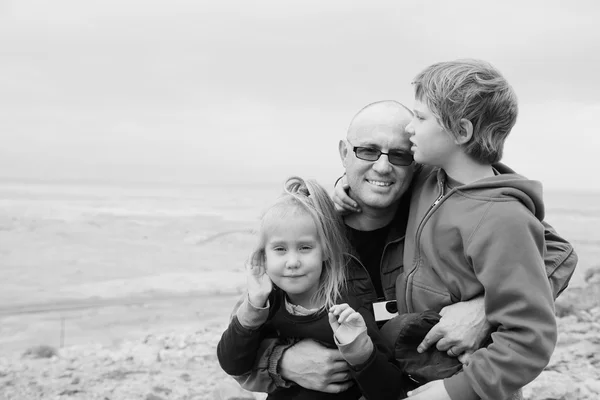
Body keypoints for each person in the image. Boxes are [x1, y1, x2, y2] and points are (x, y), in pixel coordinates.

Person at [230, 99, 577, 394]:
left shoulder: (444, 208)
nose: (382, 166)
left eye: (399, 155)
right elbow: (239, 351)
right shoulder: (305, 233)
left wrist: (485, 310)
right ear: (343, 152)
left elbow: (556, 253)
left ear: (417, 161)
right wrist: (285, 363)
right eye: (366, 150)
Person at [217, 176, 407, 399]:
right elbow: (232, 363)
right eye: (279, 249)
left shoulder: (346, 307)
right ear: (263, 256)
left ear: (325, 251)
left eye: (305, 247)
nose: (292, 261)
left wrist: (359, 351)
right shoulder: (265, 303)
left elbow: (389, 390)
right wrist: (253, 306)